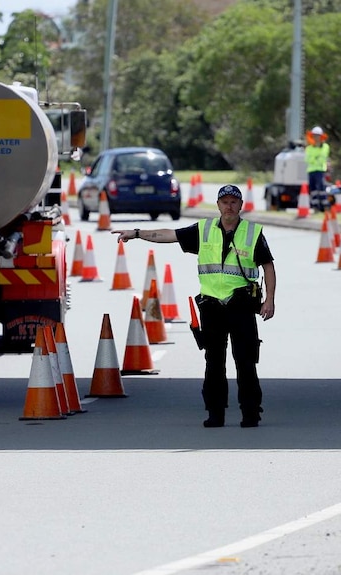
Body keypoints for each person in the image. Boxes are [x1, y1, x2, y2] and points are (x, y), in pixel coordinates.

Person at [113, 184, 276, 428]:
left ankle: (250, 412)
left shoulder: (252, 232)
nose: (229, 206)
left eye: (234, 202)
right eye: (225, 202)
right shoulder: (204, 230)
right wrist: (136, 233)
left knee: (245, 361)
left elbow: (268, 266)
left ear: (241, 205)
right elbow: (168, 235)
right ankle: (215, 413)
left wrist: (269, 299)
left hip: (241, 303)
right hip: (211, 306)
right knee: (214, 361)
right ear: (218, 205)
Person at [305, 125, 330, 200]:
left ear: (321, 137)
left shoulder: (325, 147)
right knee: (313, 190)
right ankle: (315, 206)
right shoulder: (308, 148)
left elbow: (323, 158)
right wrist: (316, 158)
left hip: (320, 170)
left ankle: (324, 205)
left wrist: (314, 158)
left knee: (322, 187)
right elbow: (308, 159)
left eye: (318, 136)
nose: (316, 138)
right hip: (311, 171)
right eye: (314, 136)